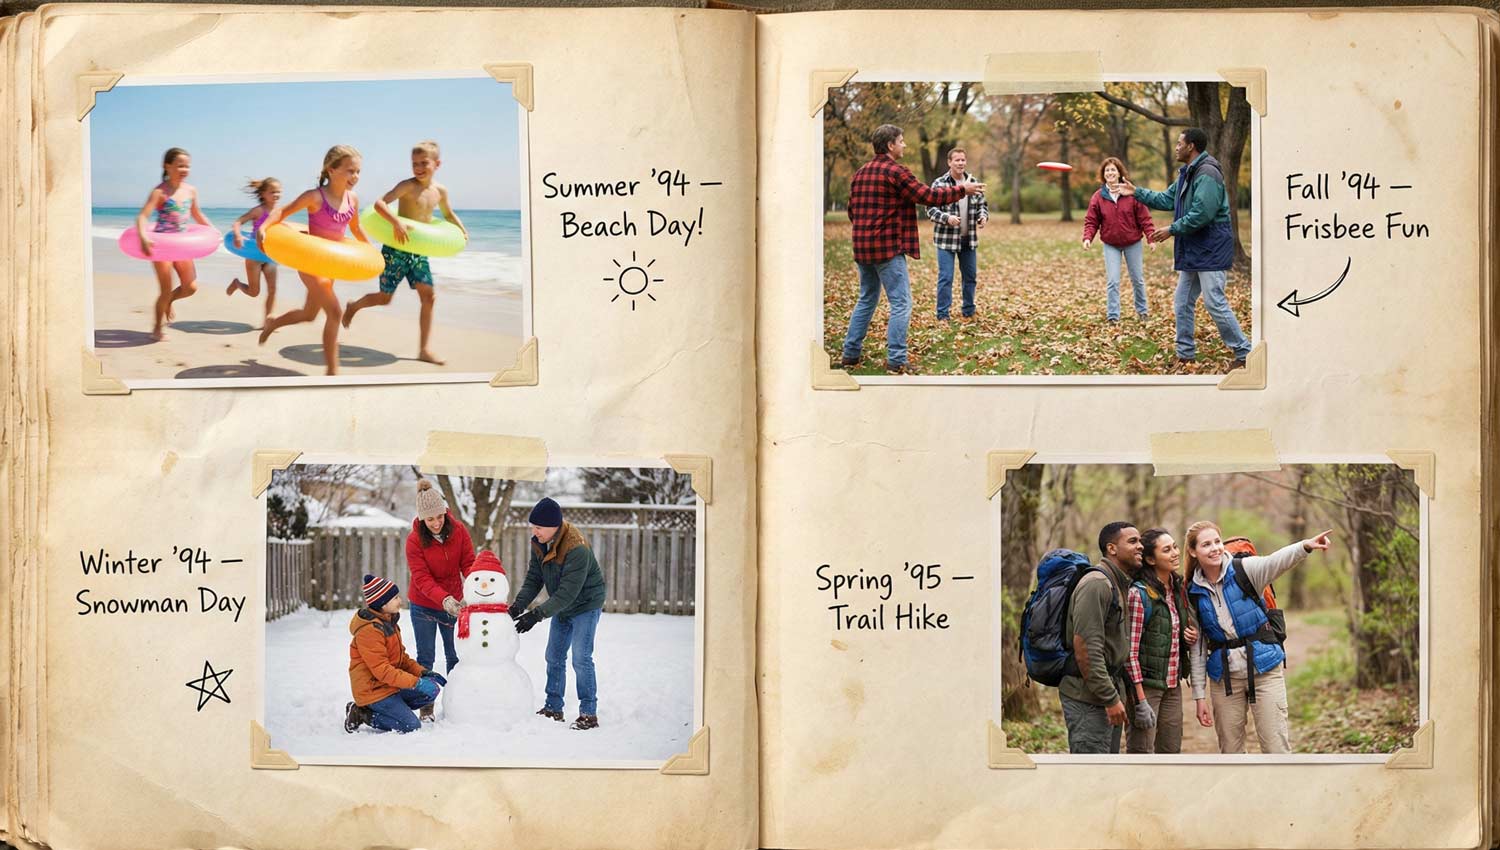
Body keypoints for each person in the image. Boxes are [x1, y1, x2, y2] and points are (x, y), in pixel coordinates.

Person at [841, 124, 984, 373]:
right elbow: (928, 196)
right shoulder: (896, 172)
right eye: (901, 141)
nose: (904, 145)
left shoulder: (860, 172)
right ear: (890, 145)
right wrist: (963, 190)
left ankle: (850, 354)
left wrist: (867, 232)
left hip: (862, 248)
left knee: (866, 298)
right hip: (887, 249)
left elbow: (852, 211)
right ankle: (897, 360)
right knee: (901, 303)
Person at [1184, 520, 1334, 753]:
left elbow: (1276, 561)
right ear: (1193, 551)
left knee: (1276, 749)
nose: (1214, 548)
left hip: (1265, 670)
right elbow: (1199, 647)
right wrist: (1199, 696)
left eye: (1217, 542)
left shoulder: (1245, 569)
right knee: (1230, 752)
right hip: (1224, 678)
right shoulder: (1192, 591)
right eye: (1206, 544)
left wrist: (1305, 546)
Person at [1119, 128, 1251, 370]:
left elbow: (1202, 213)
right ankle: (1185, 354)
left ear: (1191, 146)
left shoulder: (1207, 173)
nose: (1177, 147)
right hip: (1194, 248)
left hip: (1210, 247)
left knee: (1214, 302)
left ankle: (1245, 353)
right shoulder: (1187, 173)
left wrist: (1172, 229)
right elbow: (1166, 199)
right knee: (1182, 301)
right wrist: (1136, 192)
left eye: (1180, 143)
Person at [343, 140, 469, 365]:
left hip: (418, 251)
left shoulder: (440, 191)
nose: (418, 168)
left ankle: (424, 350)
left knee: (429, 297)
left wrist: (462, 230)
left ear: (437, 164)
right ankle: (354, 306)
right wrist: (396, 222)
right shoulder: (407, 186)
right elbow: (380, 204)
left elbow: (448, 215)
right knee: (384, 299)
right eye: (414, 163)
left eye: (424, 163)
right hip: (397, 248)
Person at [257, 144, 373, 375]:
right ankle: (332, 372)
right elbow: (282, 212)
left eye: (358, 171)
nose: (355, 176)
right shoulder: (315, 197)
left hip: (331, 265)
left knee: (309, 314)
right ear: (332, 169)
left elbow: (355, 228)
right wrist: (264, 228)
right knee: (335, 313)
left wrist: (370, 251)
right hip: (310, 264)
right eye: (350, 171)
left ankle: (272, 323)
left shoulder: (353, 199)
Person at [510, 497, 608, 730]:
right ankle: (553, 707)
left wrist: (536, 615)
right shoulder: (539, 542)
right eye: (533, 526)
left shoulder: (576, 548)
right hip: (563, 605)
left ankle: (588, 714)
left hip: (585, 605)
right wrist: (517, 607)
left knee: (581, 658)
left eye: (539, 527)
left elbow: (567, 593)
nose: (534, 532)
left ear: (554, 526)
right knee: (553, 656)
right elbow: (534, 578)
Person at [1060, 521, 1140, 754]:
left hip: (1104, 693)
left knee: (1107, 767)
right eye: (1132, 541)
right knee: (1091, 769)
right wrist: (1110, 698)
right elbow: (1086, 649)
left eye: (1140, 541)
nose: (1140, 546)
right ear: (1111, 548)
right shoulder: (1097, 584)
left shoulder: (1117, 583)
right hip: (1088, 699)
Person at [404, 478, 475, 721]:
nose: (436, 523)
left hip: (454, 605)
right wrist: (444, 599)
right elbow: (421, 578)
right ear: (422, 519)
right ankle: (426, 707)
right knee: (426, 658)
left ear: (445, 512)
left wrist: (473, 589)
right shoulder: (414, 540)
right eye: (430, 519)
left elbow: (468, 562)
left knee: (455, 655)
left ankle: (456, 703)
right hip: (423, 605)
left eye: (439, 517)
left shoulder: (459, 530)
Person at [1124, 528, 1198, 754]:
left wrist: (1187, 637)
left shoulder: (1177, 588)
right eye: (1166, 550)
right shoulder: (1138, 594)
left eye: (1175, 546)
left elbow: (1166, 633)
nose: (1175, 553)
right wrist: (1140, 699)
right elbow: (1130, 652)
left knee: (1171, 751)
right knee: (1142, 752)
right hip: (1146, 687)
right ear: (1150, 559)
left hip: (1172, 685)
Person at [343, 574, 446, 734]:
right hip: (373, 690)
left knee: (429, 693)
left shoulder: (389, 622)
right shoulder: (369, 631)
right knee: (411, 726)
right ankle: (363, 714)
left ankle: (394, 709)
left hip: (389, 685)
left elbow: (402, 659)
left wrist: (424, 673)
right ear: (382, 604)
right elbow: (382, 670)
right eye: (395, 598)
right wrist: (416, 683)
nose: (400, 601)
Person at [134, 147, 213, 340]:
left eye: (187, 166)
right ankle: (157, 328)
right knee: (165, 290)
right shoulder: (160, 191)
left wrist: (212, 230)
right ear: (167, 166)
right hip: (162, 246)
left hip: (182, 245)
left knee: (190, 287)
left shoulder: (191, 190)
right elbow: (142, 217)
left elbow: (196, 214)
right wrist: (143, 236)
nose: (184, 170)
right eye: (180, 166)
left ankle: (169, 301)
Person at [1081, 157, 1156, 323]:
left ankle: (1142, 312)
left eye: (1113, 170)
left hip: (1133, 242)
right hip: (1111, 244)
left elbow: (1144, 218)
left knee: (1137, 279)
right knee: (1113, 281)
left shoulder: (1131, 193)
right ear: (1103, 174)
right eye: (1107, 170)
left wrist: (1151, 237)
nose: (1110, 173)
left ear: (1119, 172)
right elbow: (1091, 221)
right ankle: (1113, 316)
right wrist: (1087, 238)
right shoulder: (1098, 197)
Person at [925, 147, 987, 320]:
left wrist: (982, 217)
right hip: (946, 240)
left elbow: (982, 205)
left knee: (970, 277)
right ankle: (942, 314)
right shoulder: (939, 183)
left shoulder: (973, 182)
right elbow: (930, 209)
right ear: (949, 162)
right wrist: (947, 218)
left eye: (963, 160)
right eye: (957, 160)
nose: (960, 163)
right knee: (946, 278)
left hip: (969, 239)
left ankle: (968, 311)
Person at [225, 177, 282, 324]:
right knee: (254, 292)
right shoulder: (259, 211)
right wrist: (237, 235)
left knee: (273, 290)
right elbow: (238, 222)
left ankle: (267, 322)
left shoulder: (280, 212)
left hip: (270, 255)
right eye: (272, 192)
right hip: (254, 254)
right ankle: (237, 284)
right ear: (263, 194)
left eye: (278, 192)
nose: (276, 195)